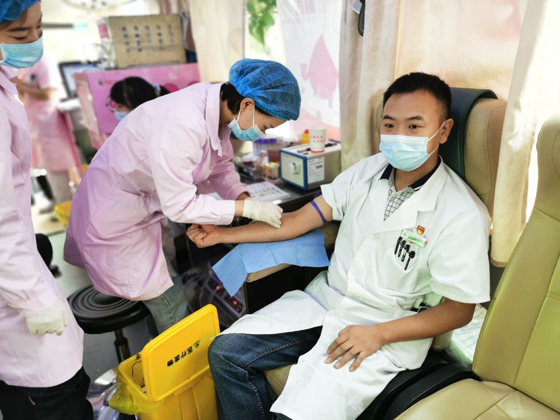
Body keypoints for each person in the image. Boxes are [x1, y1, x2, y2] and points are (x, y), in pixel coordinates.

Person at [188, 73, 491, 420]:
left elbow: (458, 310)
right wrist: (222, 235)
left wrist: (379, 334)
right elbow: (295, 221)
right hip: (325, 302)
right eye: (389, 125)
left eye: (414, 126)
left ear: (444, 130)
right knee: (225, 353)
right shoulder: (367, 172)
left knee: (297, 413)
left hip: (384, 326)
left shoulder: (461, 212)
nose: (398, 135)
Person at [64, 58, 301, 334]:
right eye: (266, 126)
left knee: (165, 279)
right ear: (247, 104)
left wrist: (243, 197)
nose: (262, 134)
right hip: (114, 218)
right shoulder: (183, 123)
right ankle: (177, 358)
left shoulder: (216, 108)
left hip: (143, 207)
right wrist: (248, 211)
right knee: (170, 302)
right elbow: (180, 206)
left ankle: (162, 341)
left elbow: (220, 164)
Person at [0, 1, 92, 419]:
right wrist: (35, 300)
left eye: (39, 29)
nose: (34, 41)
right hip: (16, 297)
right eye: (21, 34)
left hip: (20, 267)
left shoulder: (7, 84)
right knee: (53, 390)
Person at [17, 54, 81, 208]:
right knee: (49, 167)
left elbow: (48, 93)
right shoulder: (22, 65)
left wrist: (19, 85)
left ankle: (65, 204)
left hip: (48, 121)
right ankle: (61, 203)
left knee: (58, 165)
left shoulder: (43, 63)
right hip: (35, 122)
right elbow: (23, 96)